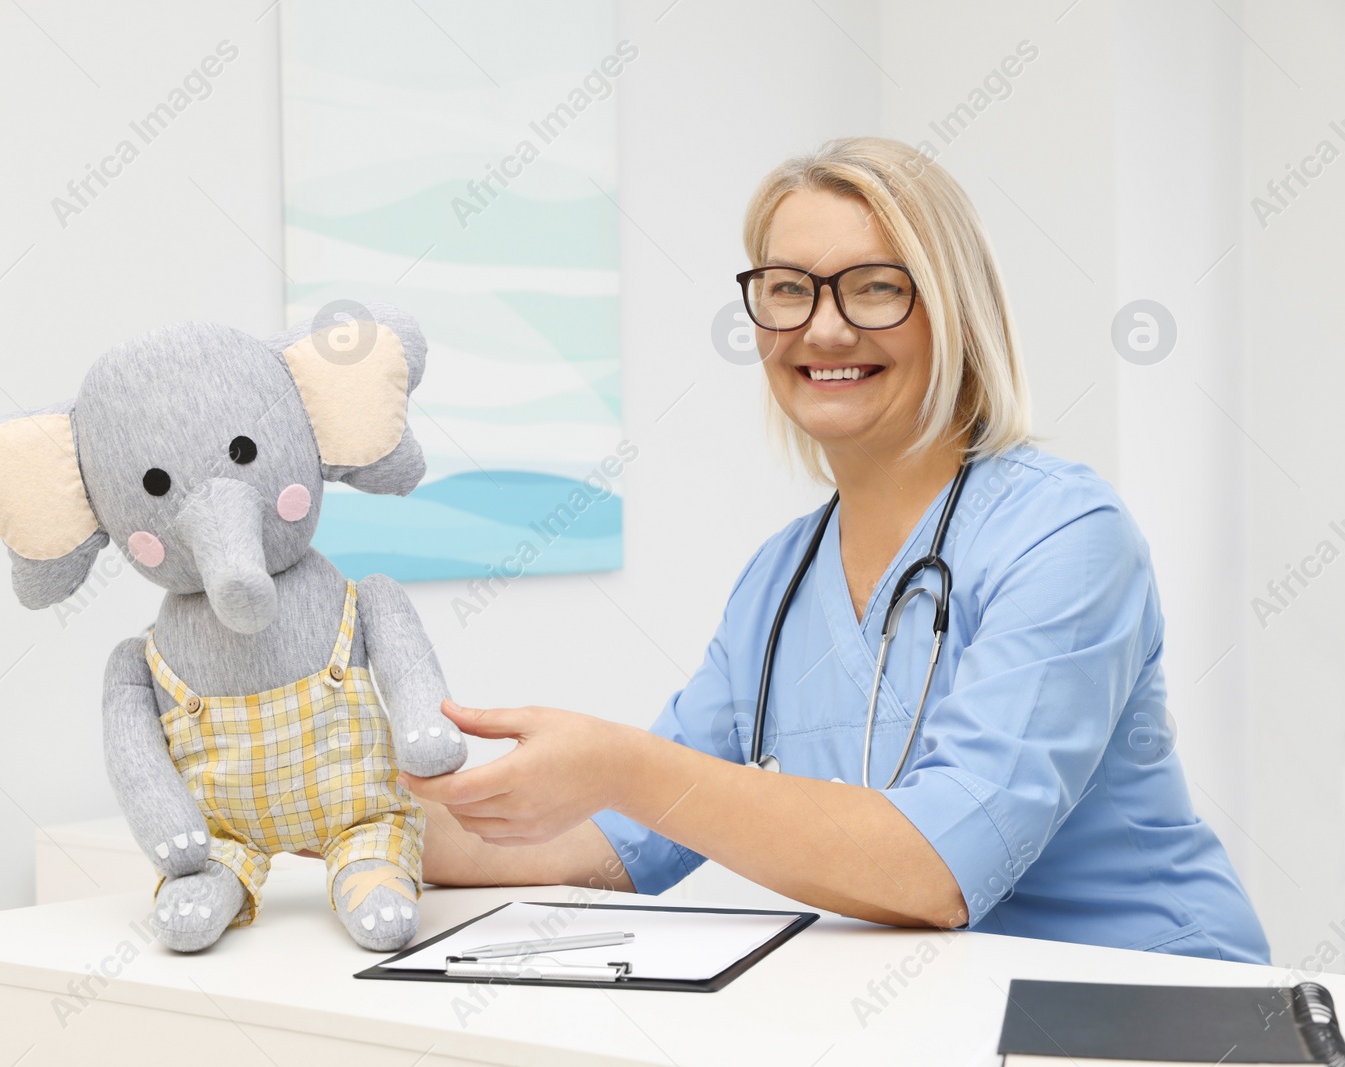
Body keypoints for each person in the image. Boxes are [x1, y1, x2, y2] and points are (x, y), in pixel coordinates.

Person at [399, 136, 1270, 964]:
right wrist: (338, 811)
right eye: (789, 288)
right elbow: (618, 840)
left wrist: (621, 764)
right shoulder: (779, 584)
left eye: (875, 287)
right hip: (939, 1015)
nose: (823, 330)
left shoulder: (1066, 537)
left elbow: (939, 870)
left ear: (954, 311)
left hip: (1157, 1000)